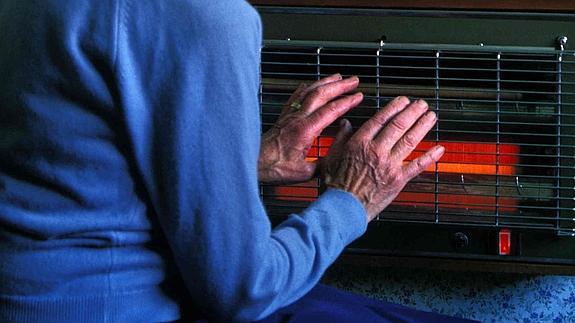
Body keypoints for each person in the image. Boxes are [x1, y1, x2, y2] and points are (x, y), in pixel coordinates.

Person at [0, 1, 468, 322]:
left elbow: (85, 156)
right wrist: (352, 199)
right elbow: (243, 292)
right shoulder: (202, 16)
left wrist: (248, 159)